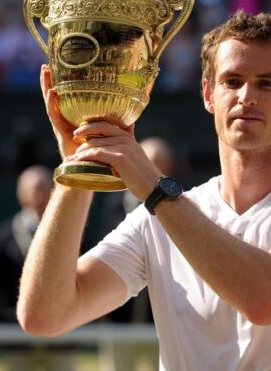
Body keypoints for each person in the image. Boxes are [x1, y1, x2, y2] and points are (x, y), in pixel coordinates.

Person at [17, 11, 271, 371]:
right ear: (208, 94)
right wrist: (78, 170)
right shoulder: (158, 217)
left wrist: (154, 188)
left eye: (265, 83)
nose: (246, 96)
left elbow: (265, 298)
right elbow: (44, 316)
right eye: (232, 81)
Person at [99, 136, 176, 371]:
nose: (155, 170)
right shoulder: (113, 205)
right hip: (120, 319)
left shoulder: (183, 206)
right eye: (151, 162)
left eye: (162, 164)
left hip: (162, 319)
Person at [0, 165, 78, 371]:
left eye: (46, 188)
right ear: (21, 194)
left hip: (62, 332)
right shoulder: (4, 236)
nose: (40, 195)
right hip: (18, 335)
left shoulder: (73, 230)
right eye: (34, 189)